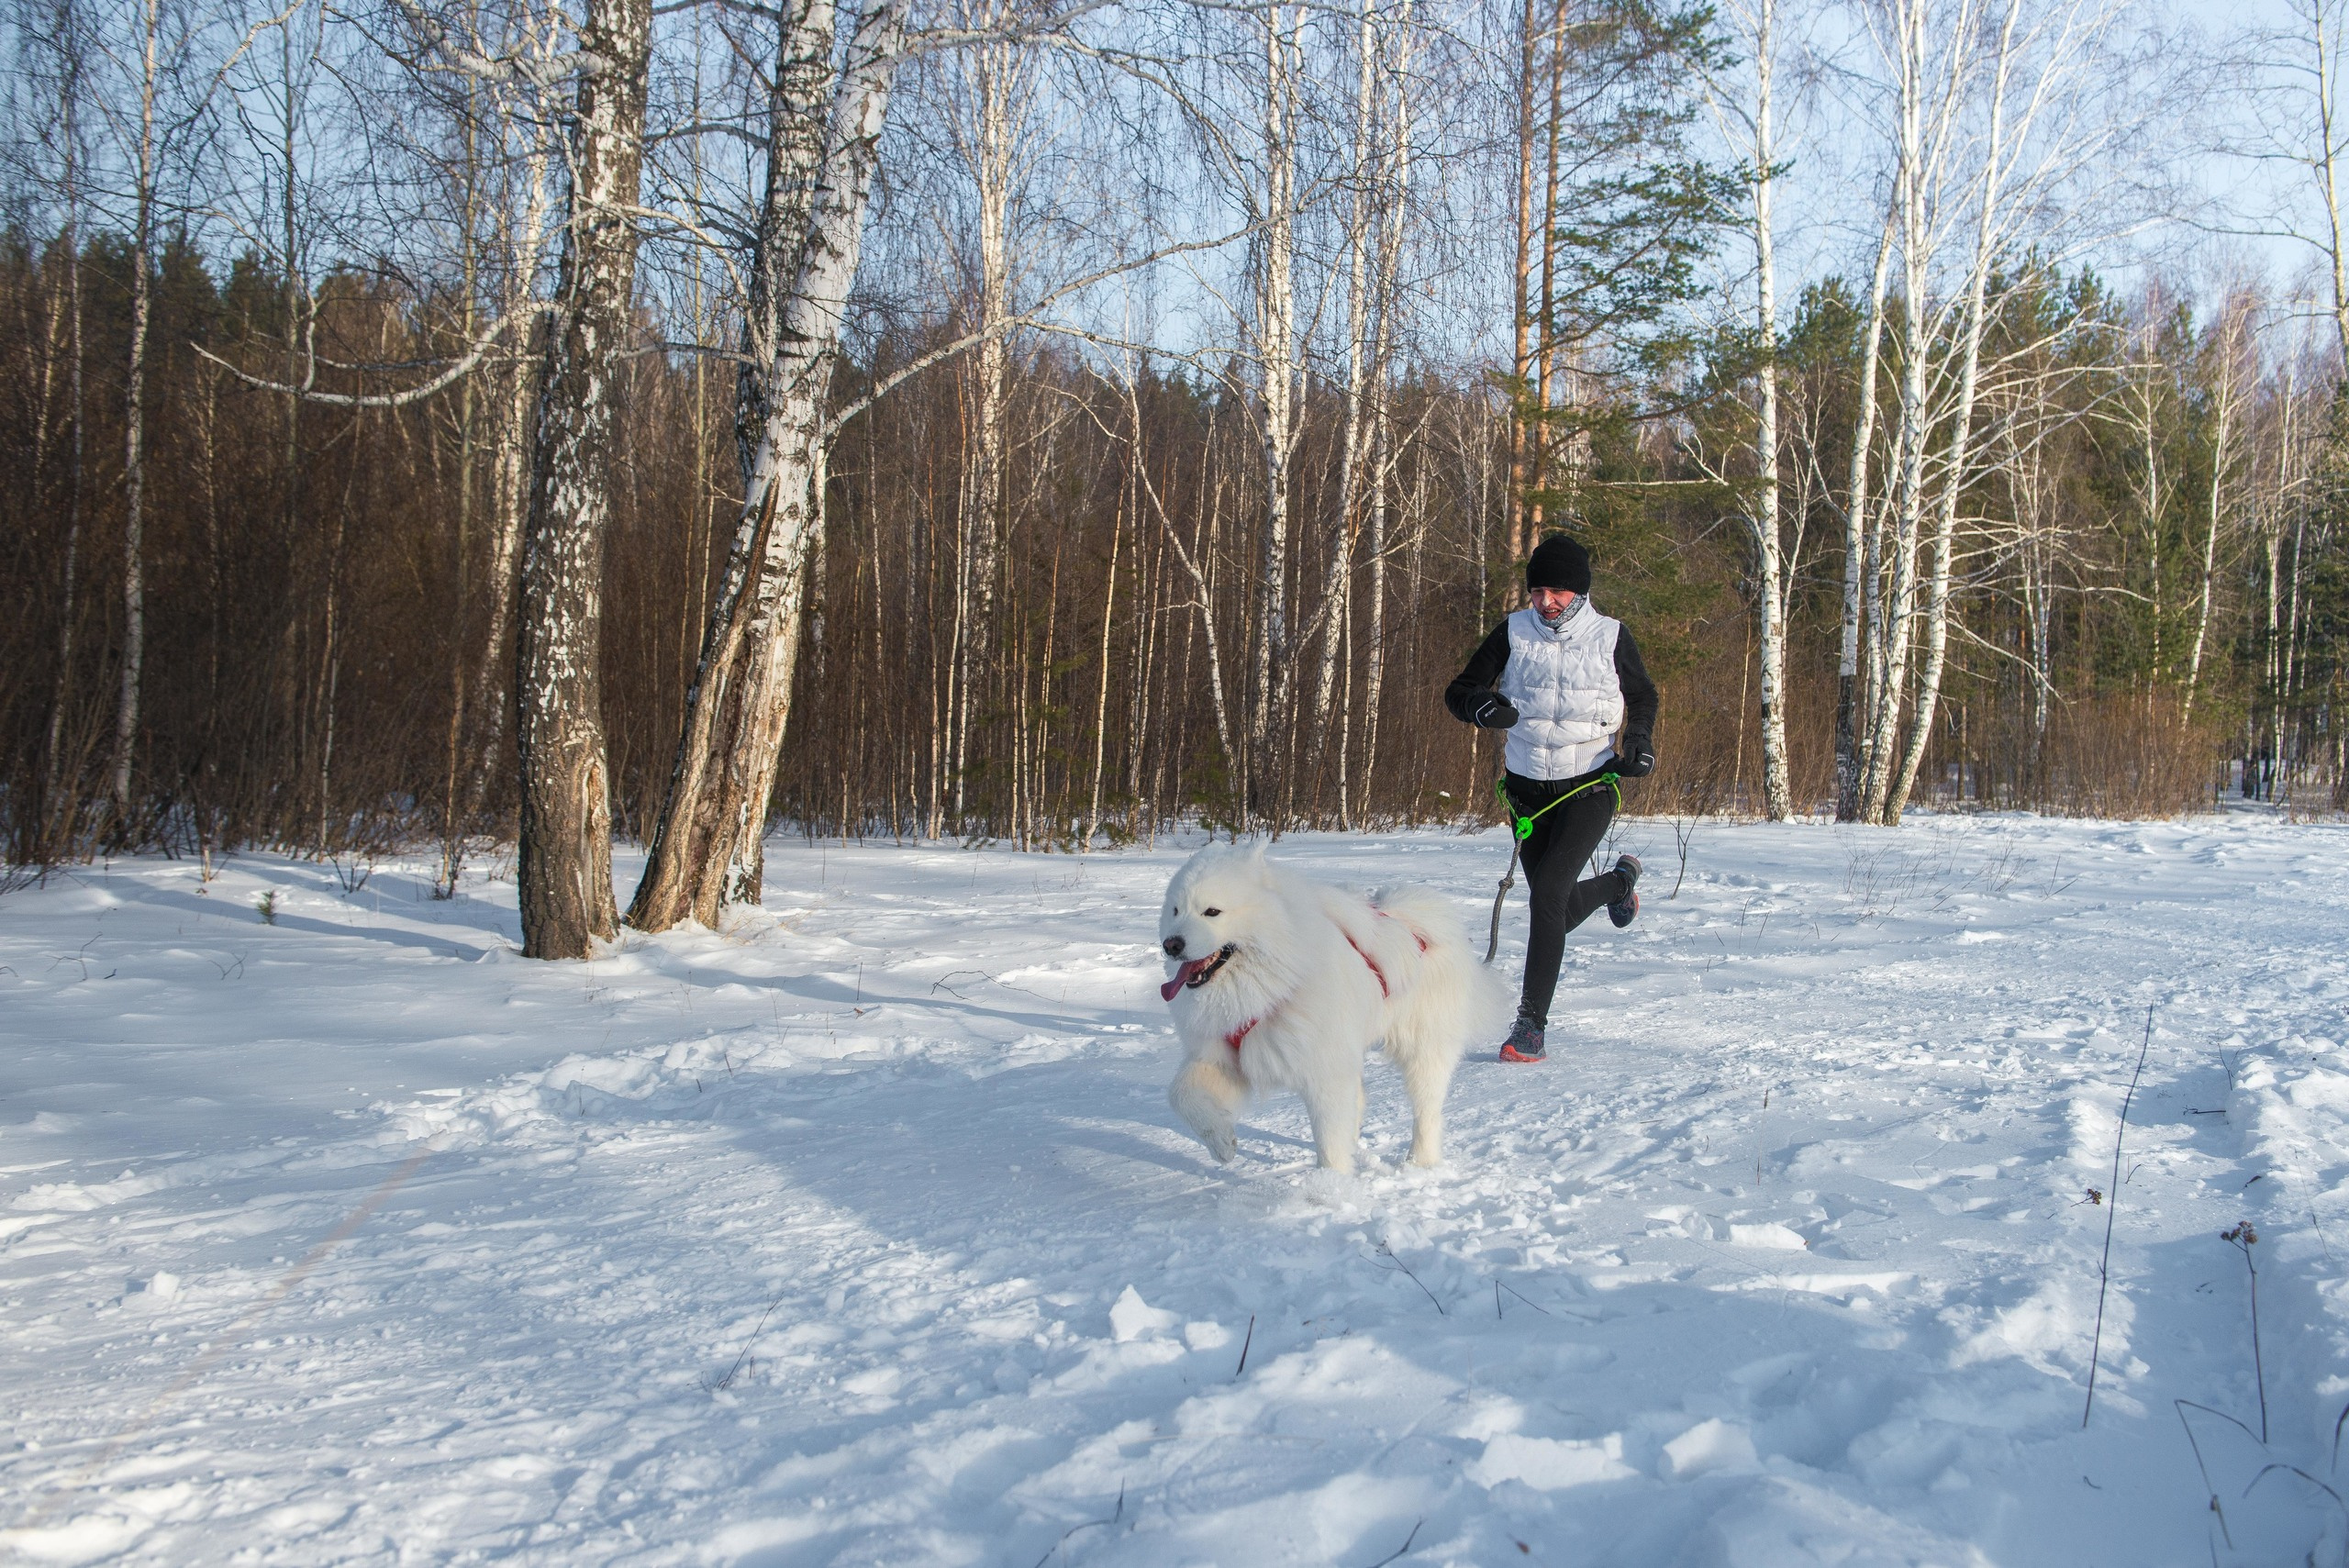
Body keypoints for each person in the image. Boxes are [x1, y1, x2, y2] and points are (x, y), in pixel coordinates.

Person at [1444, 533, 1659, 1062]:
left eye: (1559, 591)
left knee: (1548, 898)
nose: (1547, 602)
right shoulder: (1514, 631)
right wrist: (1481, 707)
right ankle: (1619, 884)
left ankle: (1530, 1025)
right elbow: (1460, 689)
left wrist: (1637, 743)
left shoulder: (1611, 635)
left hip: (1588, 785)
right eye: (1539, 591)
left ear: (1580, 592)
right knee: (1554, 912)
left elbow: (1644, 694)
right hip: (1526, 792)